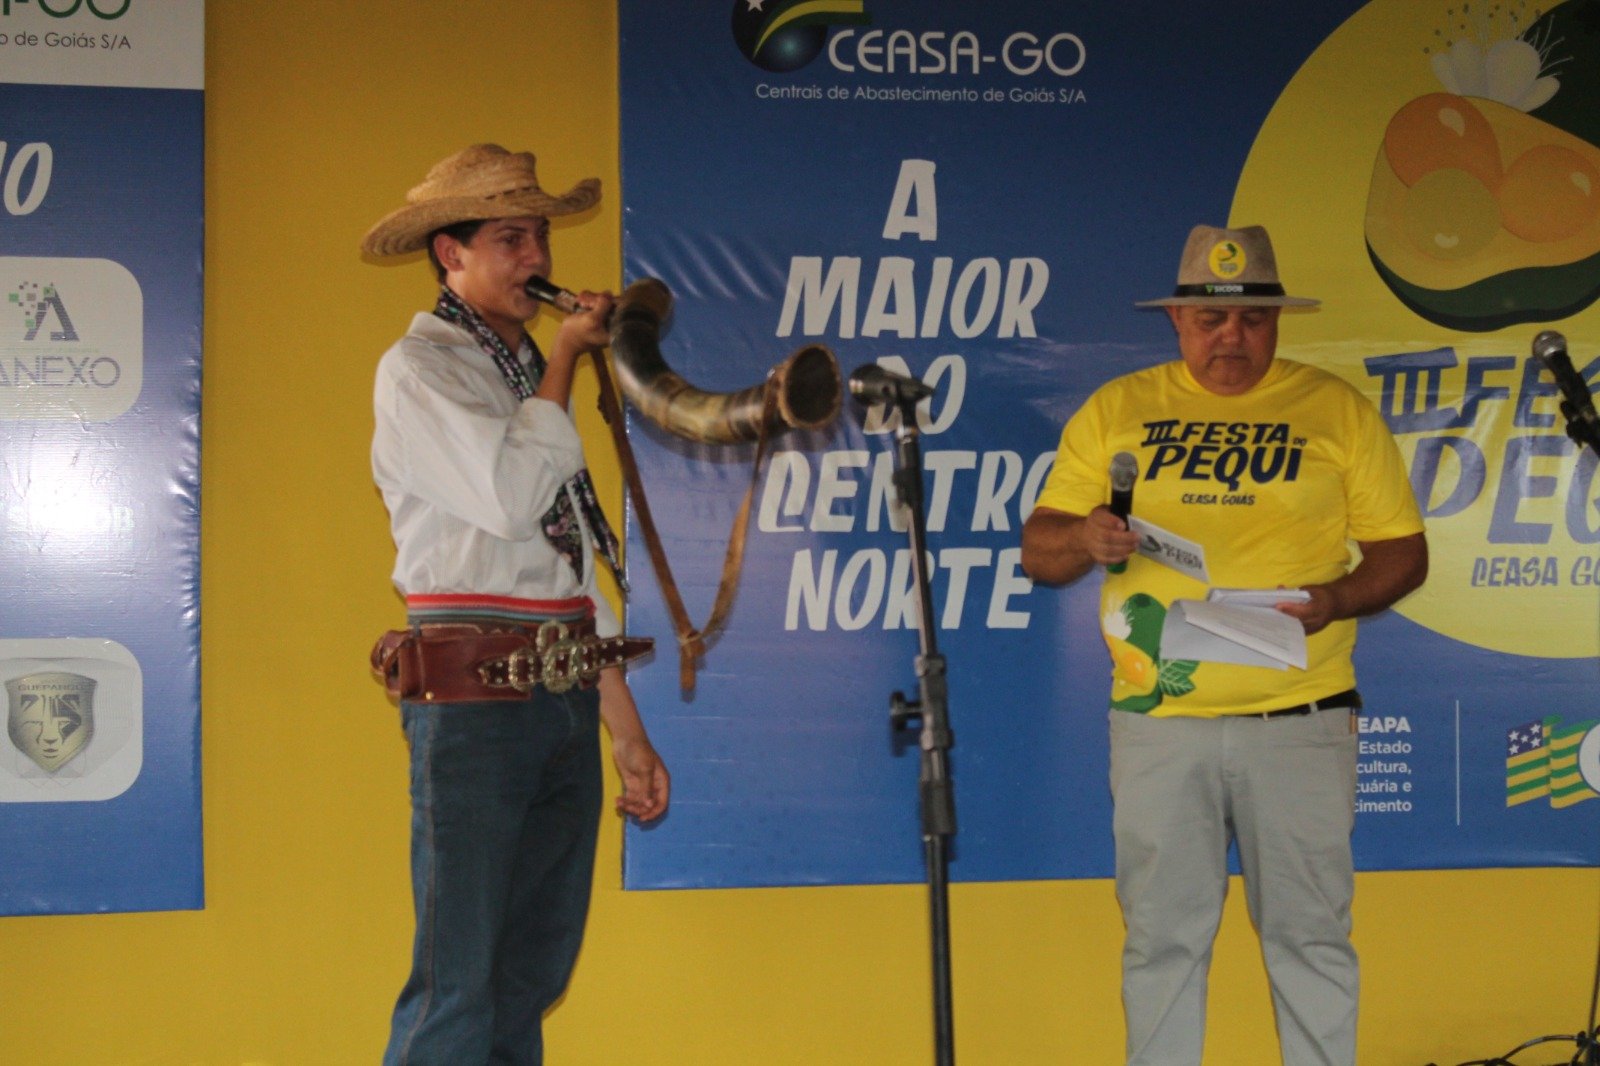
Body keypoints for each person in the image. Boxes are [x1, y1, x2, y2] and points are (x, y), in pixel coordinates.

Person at [1020, 224, 1427, 1066]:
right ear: (1175, 318)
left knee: (1311, 942)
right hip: (1158, 722)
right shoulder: (1118, 408)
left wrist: (1339, 598)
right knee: (1161, 944)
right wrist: (1086, 540)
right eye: (1209, 320)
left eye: (1251, 319)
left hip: (1302, 720)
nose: (1230, 337)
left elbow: (1404, 552)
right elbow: (1040, 547)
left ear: (1278, 321)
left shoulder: (1336, 410)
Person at [361, 143, 669, 1065]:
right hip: (473, 707)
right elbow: (509, 496)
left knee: (526, 978)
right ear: (449, 254)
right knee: (457, 986)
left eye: (538, 234)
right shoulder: (423, 368)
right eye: (510, 238)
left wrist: (625, 728)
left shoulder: (517, 368)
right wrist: (569, 358)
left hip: (560, 700)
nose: (536, 256)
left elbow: (564, 569)